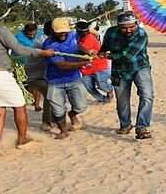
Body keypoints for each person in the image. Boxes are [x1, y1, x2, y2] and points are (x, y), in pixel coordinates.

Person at [0, 5, 54, 154]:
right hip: (0, 74)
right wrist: (42, 52)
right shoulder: (0, 30)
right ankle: (22, 139)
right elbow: (19, 49)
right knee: (19, 106)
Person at [100, 12, 154, 140]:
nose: (128, 30)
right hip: (119, 70)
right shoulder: (111, 32)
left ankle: (141, 127)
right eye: (124, 28)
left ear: (136, 24)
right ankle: (125, 125)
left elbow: (128, 56)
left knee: (147, 95)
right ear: (118, 26)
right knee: (122, 100)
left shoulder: (141, 34)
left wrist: (108, 56)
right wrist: (99, 53)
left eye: (131, 27)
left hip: (140, 67)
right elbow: (104, 47)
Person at [42, 17, 92, 139]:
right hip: (55, 81)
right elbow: (62, 65)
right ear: (53, 31)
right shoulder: (48, 45)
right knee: (58, 110)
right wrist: (83, 63)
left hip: (74, 79)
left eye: (65, 31)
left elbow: (78, 45)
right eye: (60, 32)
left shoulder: (73, 36)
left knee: (81, 106)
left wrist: (87, 53)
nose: (63, 34)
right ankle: (63, 131)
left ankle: (72, 114)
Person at [76, 20, 114, 103]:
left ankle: (110, 90)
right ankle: (104, 99)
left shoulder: (89, 38)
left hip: (98, 66)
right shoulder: (80, 38)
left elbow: (82, 49)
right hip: (86, 68)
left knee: (101, 85)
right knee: (89, 87)